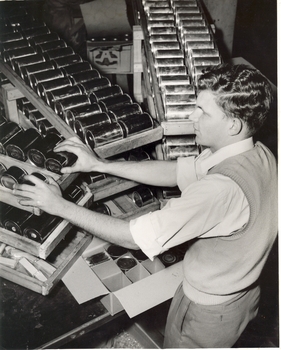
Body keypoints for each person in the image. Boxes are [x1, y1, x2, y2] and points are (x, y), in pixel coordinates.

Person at [13, 63, 277, 348]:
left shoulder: (219, 190)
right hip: (243, 295)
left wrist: (59, 205)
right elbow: (176, 172)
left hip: (209, 311)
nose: (192, 116)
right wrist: (101, 164)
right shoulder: (257, 153)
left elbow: (133, 237)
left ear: (233, 125)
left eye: (203, 111)